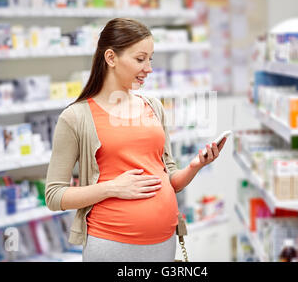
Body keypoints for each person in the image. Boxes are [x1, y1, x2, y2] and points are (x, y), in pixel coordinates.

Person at [45, 18, 226, 262]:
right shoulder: (76, 117)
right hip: (112, 244)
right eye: (140, 59)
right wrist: (112, 188)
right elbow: (54, 196)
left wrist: (195, 166)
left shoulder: (153, 106)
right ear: (110, 58)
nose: (149, 68)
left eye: (150, 59)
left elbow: (170, 178)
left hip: (164, 242)